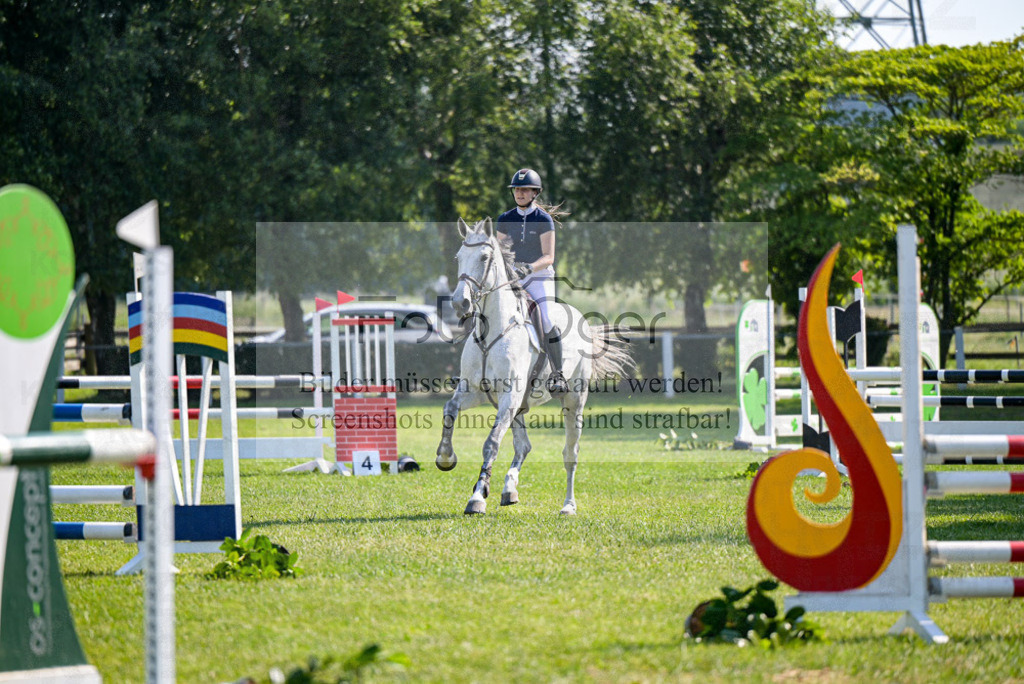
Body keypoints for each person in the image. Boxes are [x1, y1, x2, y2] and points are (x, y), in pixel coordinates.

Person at [496, 168, 568, 394]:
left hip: (538, 277)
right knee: (487, 310)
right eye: (517, 189)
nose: (520, 193)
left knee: (546, 318)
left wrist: (528, 268)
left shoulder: (543, 220)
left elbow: (549, 257)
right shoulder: (505, 219)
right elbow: (500, 251)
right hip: (512, 278)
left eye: (525, 189)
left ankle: (558, 374)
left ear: (535, 192)